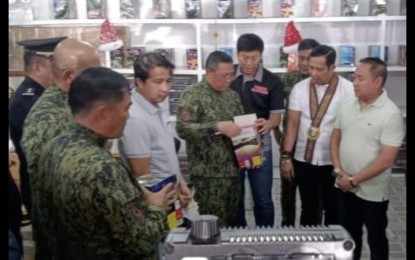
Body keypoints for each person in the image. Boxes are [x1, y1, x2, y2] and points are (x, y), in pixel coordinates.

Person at [36, 67, 176, 259]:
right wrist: (157, 206)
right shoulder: (102, 168)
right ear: (102, 112)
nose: (128, 116)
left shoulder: (53, 147)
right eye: (126, 108)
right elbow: (141, 241)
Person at [20, 38, 101, 259]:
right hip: (65, 238)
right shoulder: (47, 118)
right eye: (94, 72)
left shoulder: (74, 104)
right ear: (69, 76)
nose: (101, 79)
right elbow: (57, 185)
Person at [330, 57, 405, 260]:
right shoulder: (347, 104)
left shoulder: (391, 114)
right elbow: (335, 138)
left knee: (376, 238)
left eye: (360, 78)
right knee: (349, 237)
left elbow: (386, 160)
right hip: (344, 184)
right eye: (354, 77)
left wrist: (354, 180)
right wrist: (339, 172)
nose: (354, 82)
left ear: (378, 81)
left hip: (372, 191)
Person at [281, 45, 353, 226]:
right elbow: (293, 124)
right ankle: (308, 248)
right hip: (303, 159)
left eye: (319, 69)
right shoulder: (299, 88)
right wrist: (286, 157)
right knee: (308, 207)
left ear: (332, 68)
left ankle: (331, 251)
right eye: (311, 67)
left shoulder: (349, 90)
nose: (313, 73)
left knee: (334, 208)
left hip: (334, 161)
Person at [176, 51, 243, 227]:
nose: (229, 80)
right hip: (208, 174)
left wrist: (252, 133)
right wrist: (216, 126)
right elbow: (183, 129)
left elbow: (239, 128)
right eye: (224, 75)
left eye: (231, 75)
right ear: (209, 72)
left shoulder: (232, 96)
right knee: (213, 224)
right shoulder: (192, 94)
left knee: (231, 221)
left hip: (233, 171)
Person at [119, 52, 192, 207]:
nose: (165, 88)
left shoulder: (157, 104)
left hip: (171, 195)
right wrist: (173, 198)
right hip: (157, 203)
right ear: (139, 82)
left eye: (168, 81)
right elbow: (143, 176)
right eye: (158, 82)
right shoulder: (135, 119)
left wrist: (181, 183)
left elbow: (166, 155)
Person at [9, 36, 67, 221]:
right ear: (38, 67)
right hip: (41, 187)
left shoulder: (44, 94)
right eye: (55, 64)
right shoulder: (28, 101)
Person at [230, 33, 285, 227]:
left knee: (262, 199)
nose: (249, 63)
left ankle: (265, 238)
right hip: (231, 147)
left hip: (260, 147)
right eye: (244, 58)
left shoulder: (272, 81)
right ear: (237, 55)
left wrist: (269, 124)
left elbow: (276, 116)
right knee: (236, 199)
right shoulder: (228, 77)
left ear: (261, 55)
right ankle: (238, 237)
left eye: (254, 58)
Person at [274, 38, 321, 227]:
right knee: (288, 195)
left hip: (314, 148)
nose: (303, 63)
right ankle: (287, 232)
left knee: (314, 198)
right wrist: (278, 135)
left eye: (308, 58)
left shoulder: (324, 82)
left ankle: (313, 233)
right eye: (300, 58)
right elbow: (274, 108)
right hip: (289, 147)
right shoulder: (288, 80)